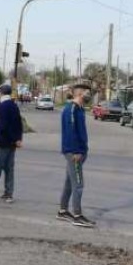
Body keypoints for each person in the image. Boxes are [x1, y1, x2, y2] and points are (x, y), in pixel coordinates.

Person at [58, 84, 96, 228]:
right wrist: (76, 151)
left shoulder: (79, 109)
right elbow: (70, 132)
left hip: (79, 151)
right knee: (78, 185)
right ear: (79, 93)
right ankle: (77, 215)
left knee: (69, 182)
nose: (89, 95)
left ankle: (62, 211)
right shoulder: (71, 110)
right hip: (74, 153)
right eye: (87, 92)